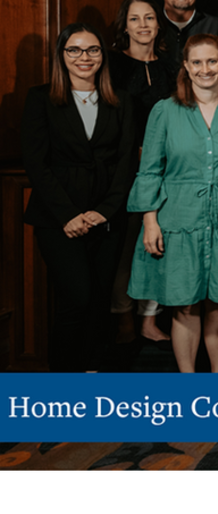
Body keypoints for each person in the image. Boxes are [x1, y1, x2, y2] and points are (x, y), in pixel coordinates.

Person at [126, 34, 218, 373]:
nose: (205, 69)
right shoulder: (164, 110)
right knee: (185, 305)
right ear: (186, 67)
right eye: (196, 62)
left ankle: (217, 386)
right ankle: (189, 385)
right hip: (178, 219)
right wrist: (150, 220)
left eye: (211, 61)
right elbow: (149, 171)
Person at [22, 24, 136, 371]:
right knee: (76, 299)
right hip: (58, 220)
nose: (84, 58)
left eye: (92, 50)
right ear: (62, 55)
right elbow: (35, 164)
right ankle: (63, 387)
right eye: (74, 50)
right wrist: (68, 215)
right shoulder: (40, 98)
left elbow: (127, 162)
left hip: (106, 218)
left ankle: (93, 378)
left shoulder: (122, 100)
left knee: (101, 302)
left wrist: (105, 211)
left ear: (103, 56)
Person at [108, 0, 178, 344]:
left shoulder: (169, 66)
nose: (143, 25)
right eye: (135, 19)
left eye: (149, 17)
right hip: (124, 166)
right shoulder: (111, 65)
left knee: (158, 239)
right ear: (125, 26)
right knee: (126, 242)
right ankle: (121, 314)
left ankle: (149, 317)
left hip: (166, 167)